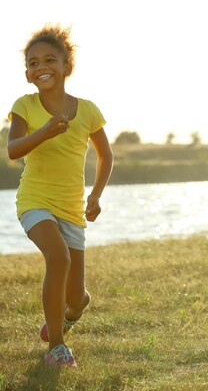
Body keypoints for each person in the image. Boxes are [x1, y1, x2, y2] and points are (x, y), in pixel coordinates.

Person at [7, 25, 114, 367]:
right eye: (33, 62)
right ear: (27, 73)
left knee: (75, 296)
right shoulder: (24, 106)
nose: (42, 67)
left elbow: (105, 155)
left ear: (67, 65)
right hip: (34, 200)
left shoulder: (87, 110)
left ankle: (73, 308)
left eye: (49, 59)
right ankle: (57, 346)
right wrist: (45, 130)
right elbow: (12, 150)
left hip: (71, 208)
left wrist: (95, 195)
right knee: (58, 258)